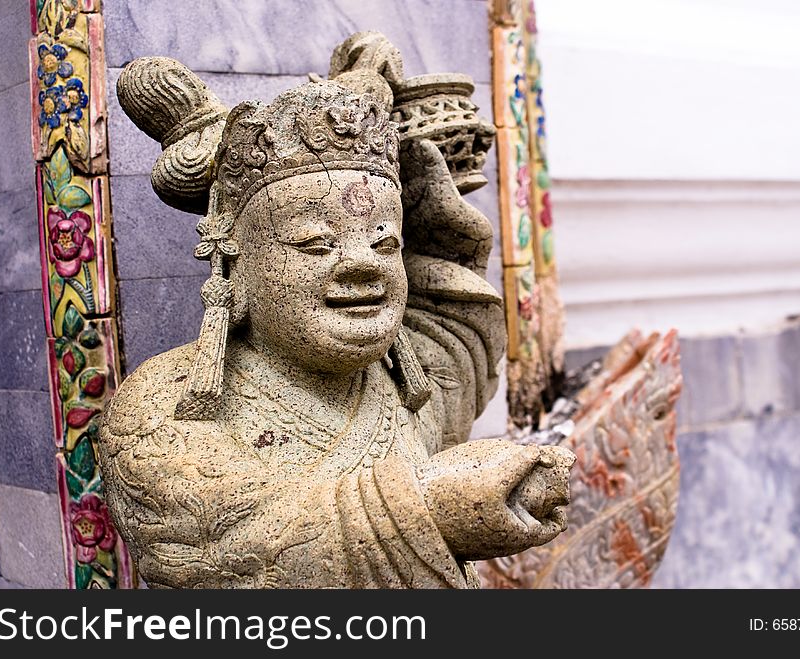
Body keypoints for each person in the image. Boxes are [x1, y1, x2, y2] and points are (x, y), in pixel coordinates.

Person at [98, 55, 573, 589]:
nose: (362, 264)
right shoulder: (163, 405)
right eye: (315, 244)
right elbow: (227, 549)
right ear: (238, 264)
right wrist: (431, 510)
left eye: (384, 243)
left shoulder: (409, 386)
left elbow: (452, 293)